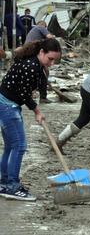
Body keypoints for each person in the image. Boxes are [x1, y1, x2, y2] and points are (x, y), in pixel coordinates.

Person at [0, 38, 61, 201]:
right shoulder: (30, 66)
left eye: (55, 59)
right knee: (19, 146)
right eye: (50, 59)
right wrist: (37, 111)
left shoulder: (36, 65)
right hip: (8, 106)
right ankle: (12, 186)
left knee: (10, 146)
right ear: (41, 52)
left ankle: (4, 183)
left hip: (5, 103)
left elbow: (36, 86)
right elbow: (24, 94)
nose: (52, 63)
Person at [24, 21, 55, 104]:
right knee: (43, 75)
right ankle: (43, 97)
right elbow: (50, 37)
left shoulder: (33, 32)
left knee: (32, 75)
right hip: (33, 54)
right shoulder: (41, 27)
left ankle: (28, 95)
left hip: (27, 54)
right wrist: (54, 37)